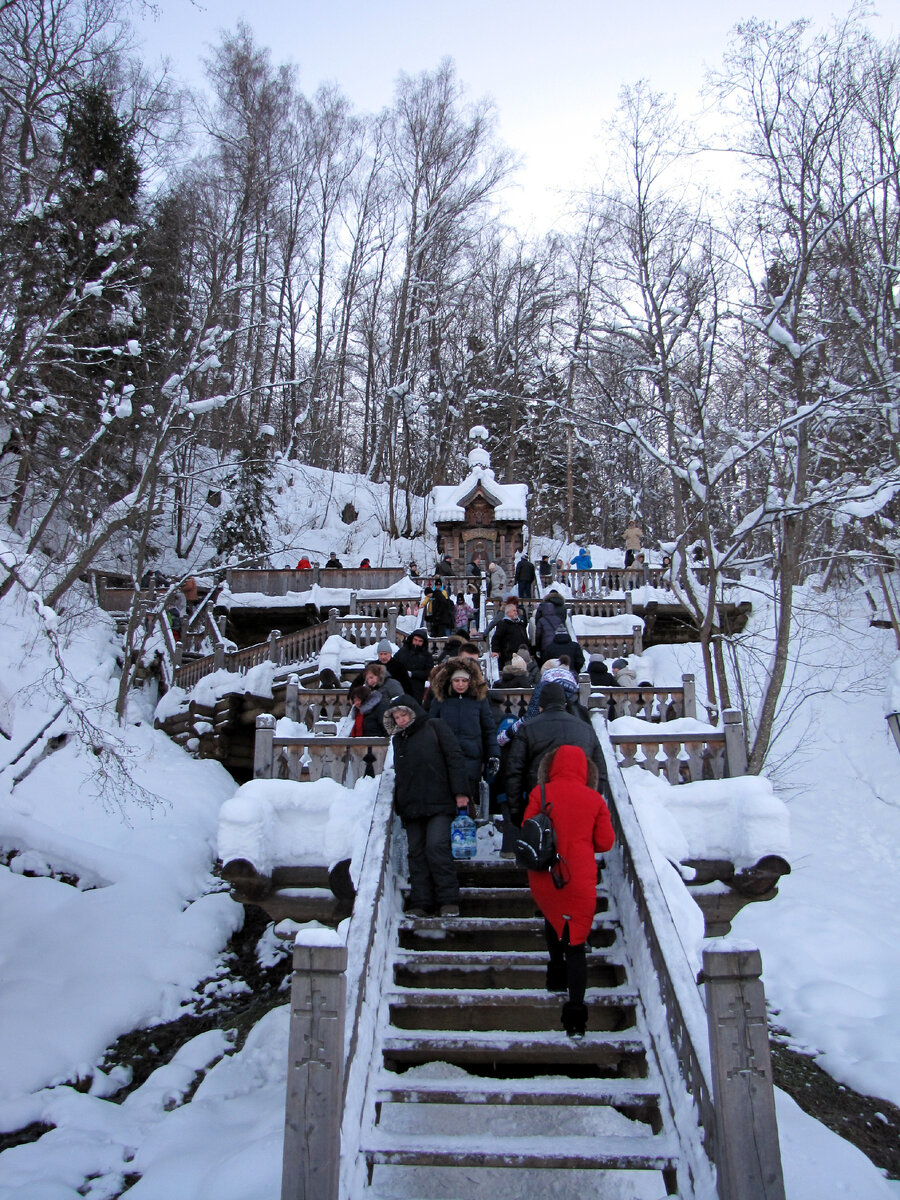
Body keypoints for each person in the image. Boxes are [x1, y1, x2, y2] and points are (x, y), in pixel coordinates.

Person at [523, 744, 614, 1037]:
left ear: (551, 767)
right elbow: (605, 842)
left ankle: (555, 975)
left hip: (546, 871)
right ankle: (575, 1016)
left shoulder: (542, 793)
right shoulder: (594, 799)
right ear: (585, 771)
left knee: (552, 918)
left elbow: (528, 827)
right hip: (578, 876)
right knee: (576, 941)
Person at [384, 695, 471, 917]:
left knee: (436, 847)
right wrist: (400, 804)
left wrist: (461, 793)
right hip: (412, 805)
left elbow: (454, 757)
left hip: (440, 800)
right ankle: (421, 901)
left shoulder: (435, 727)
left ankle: (448, 900)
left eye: (403, 715)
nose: (401, 720)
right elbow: (401, 773)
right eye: (397, 717)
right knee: (416, 853)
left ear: (412, 711)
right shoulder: (398, 739)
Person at [504, 682, 609, 824]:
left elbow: (514, 770)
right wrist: (592, 799)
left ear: (540, 705)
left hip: (541, 804)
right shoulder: (585, 729)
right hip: (579, 804)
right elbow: (600, 771)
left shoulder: (527, 728)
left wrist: (516, 810)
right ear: (564, 703)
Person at [429, 657, 499, 801]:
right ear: (450, 681)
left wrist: (494, 754)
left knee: (469, 799)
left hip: (472, 757)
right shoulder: (440, 699)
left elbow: (489, 729)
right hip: (446, 756)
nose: (460, 684)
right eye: (456, 680)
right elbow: (430, 727)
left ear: (470, 681)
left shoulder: (479, 700)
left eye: (464, 681)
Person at [391, 629, 435, 704]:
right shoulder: (402, 651)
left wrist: (413, 674)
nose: (417, 643)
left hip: (416, 689)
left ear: (423, 643)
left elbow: (429, 673)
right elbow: (393, 664)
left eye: (420, 641)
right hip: (401, 686)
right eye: (415, 640)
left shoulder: (427, 656)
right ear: (411, 639)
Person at [490, 599, 531, 668]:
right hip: (509, 657)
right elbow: (496, 638)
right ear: (508, 613)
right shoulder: (503, 624)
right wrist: (495, 651)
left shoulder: (520, 624)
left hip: (522, 655)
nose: (516, 612)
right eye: (514, 611)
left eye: (516, 611)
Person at [534, 591, 567, 661]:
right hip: (559, 638)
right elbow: (564, 620)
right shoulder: (562, 606)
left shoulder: (542, 606)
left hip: (545, 640)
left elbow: (537, 622)